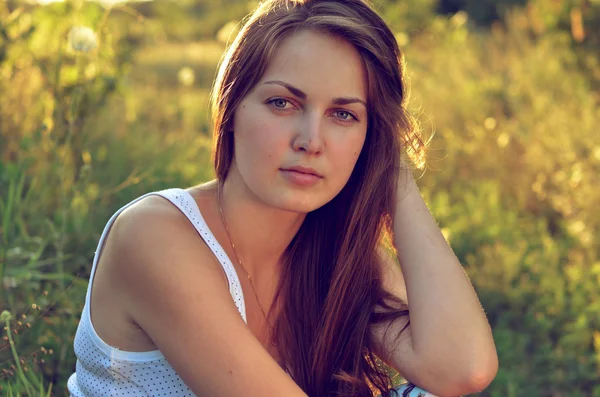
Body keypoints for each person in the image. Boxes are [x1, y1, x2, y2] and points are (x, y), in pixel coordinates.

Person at [67, 0, 498, 396]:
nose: (311, 141)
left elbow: (462, 368)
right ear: (231, 110)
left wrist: (394, 176)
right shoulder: (155, 235)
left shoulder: (335, 252)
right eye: (282, 103)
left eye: (343, 115)